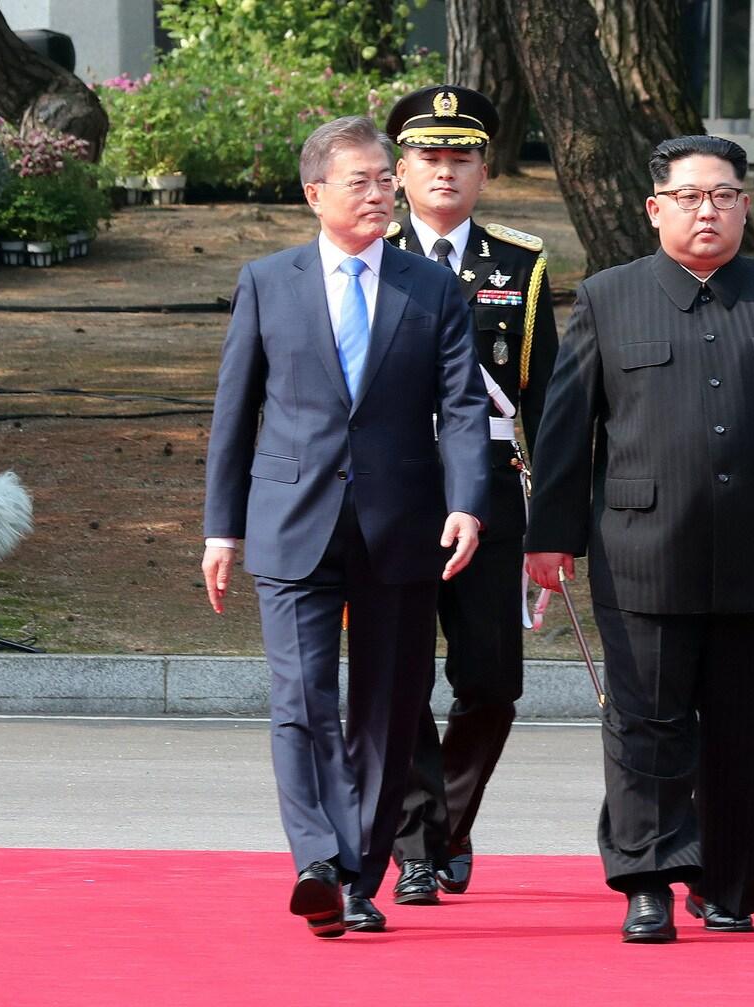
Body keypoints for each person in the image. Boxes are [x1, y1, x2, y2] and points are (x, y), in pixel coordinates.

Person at [524, 135, 754, 943]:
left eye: (722, 196)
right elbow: (567, 431)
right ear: (656, 209)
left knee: (748, 730)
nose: (706, 210)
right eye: (688, 197)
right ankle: (646, 880)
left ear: (746, 205)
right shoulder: (609, 297)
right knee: (645, 723)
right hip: (643, 551)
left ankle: (728, 885)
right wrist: (550, 537)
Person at [201, 115, 490, 939]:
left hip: (402, 526)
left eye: (384, 179)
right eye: (359, 180)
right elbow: (235, 412)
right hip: (292, 521)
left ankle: (358, 874)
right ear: (314, 193)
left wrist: (467, 500)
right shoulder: (269, 281)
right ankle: (318, 862)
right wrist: (222, 528)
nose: (378, 193)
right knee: (302, 697)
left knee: (388, 710)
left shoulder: (431, 288)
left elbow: (463, 407)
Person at [380, 84, 560, 904]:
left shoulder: (520, 264)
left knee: (492, 681)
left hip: (488, 488)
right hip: (393, 486)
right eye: (428, 155)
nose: (444, 170)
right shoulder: (369, 254)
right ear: (400, 170)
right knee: (400, 675)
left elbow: (547, 401)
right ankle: (416, 843)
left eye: (461, 156)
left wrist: (555, 522)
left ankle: (448, 818)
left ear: (485, 171)